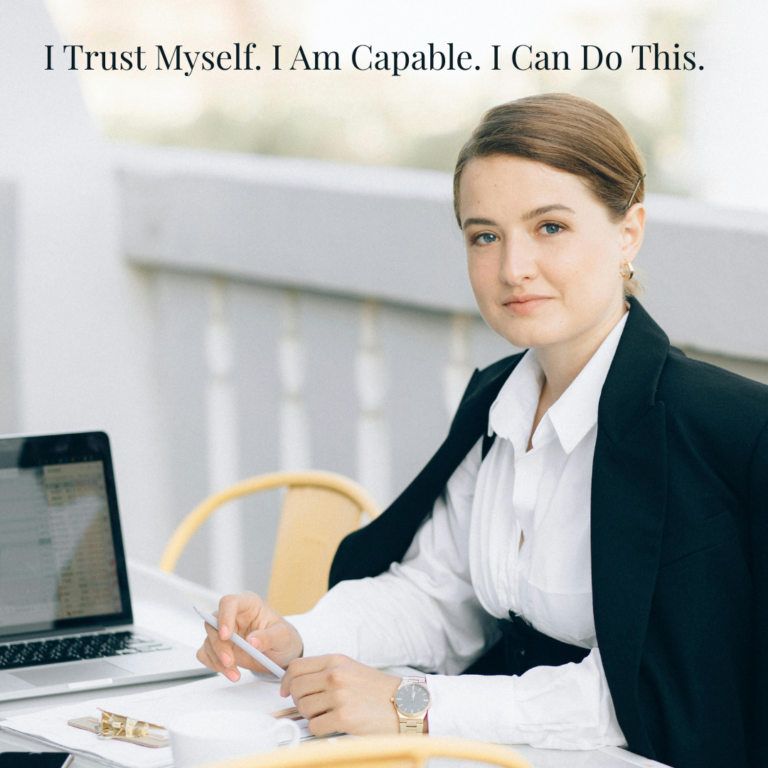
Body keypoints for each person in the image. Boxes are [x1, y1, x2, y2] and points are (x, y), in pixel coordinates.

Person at [196, 93, 767, 768]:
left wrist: (414, 707)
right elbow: (439, 596)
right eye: (484, 235)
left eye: (549, 227)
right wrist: (297, 636)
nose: (512, 268)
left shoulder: (722, 431)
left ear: (629, 232)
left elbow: (659, 691)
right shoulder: (496, 397)